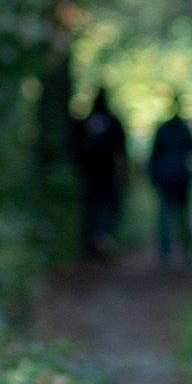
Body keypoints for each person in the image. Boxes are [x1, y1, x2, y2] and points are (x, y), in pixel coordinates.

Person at [70, 88, 127, 257]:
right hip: (107, 173)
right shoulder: (113, 122)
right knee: (112, 207)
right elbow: (121, 149)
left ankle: (91, 243)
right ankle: (101, 236)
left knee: (90, 209)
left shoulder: (84, 123)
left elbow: (75, 147)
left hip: (89, 174)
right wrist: (124, 171)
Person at [148, 97, 192, 265]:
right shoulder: (184, 128)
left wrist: (154, 176)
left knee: (166, 214)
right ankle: (187, 250)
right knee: (181, 214)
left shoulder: (163, 129)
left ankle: (166, 252)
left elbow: (154, 155)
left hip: (166, 176)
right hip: (181, 175)